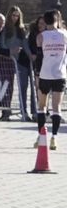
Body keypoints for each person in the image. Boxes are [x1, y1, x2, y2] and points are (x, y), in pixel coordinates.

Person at [37, 10, 66, 149]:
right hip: (60, 74)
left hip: (45, 74)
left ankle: (41, 137)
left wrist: (37, 75)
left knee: (42, 106)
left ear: (45, 21)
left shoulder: (41, 36)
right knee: (57, 107)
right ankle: (54, 137)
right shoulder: (65, 34)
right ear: (57, 20)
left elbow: (39, 57)